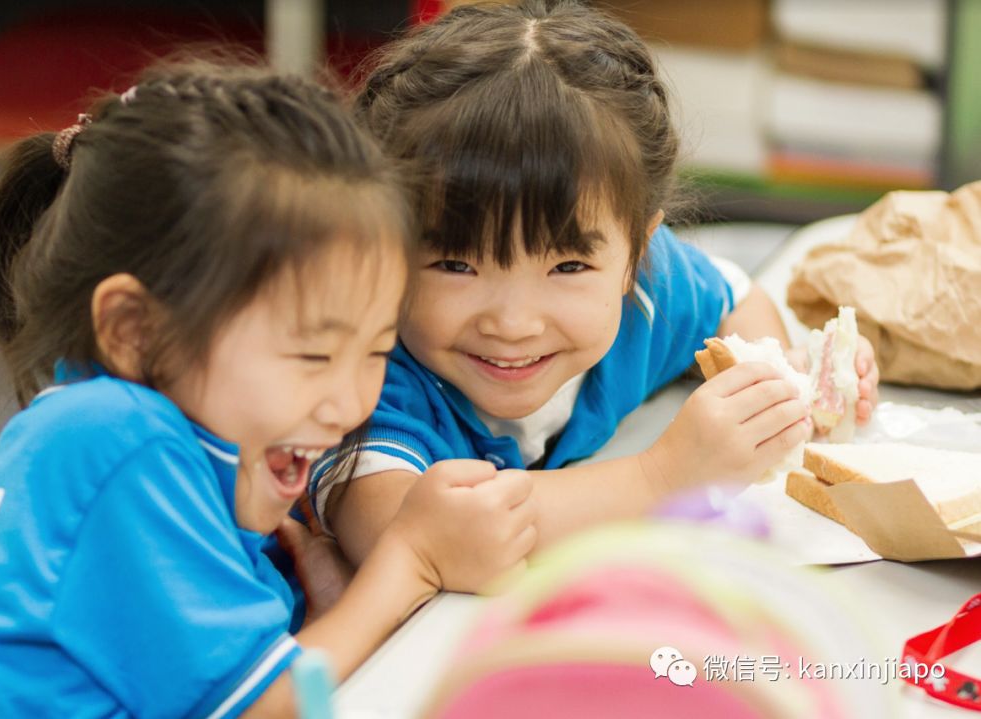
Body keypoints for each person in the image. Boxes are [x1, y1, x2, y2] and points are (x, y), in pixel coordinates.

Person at [0, 59, 536, 718]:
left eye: (375, 351)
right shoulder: (118, 438)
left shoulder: (182, 440)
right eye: (313, 353)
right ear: (135, 331)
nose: (351, 404)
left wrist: (325, 598)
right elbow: (268, 708)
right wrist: (410, 560)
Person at [309, 0, 880, 563]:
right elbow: (401, 532)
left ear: (636, 250)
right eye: (457, 265)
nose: (513, 323)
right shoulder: (365, 373)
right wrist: (664, 475)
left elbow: (735, 297)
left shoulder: (649, 291)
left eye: (567, 268)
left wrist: (784, 390)